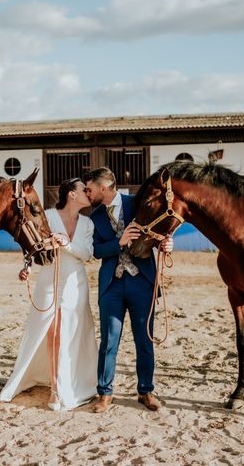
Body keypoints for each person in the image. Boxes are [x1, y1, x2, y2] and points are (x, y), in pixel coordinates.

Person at [0, 178, 98, 410]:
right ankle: (55, 387)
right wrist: (27, 268)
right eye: (84, 190)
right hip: (49, 278)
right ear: (72, 194)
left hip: (75, 283)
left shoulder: (87, 223)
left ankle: (65, 385)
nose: (88, 193)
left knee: (68, 331)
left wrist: (65, 243)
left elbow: (87, 254)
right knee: (50, 331)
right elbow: (33, 247)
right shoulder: (48, 216)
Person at [83, 167, 173, 413]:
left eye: (90, 189)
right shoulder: (95, 217)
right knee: (109, 341)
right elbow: (96, 251)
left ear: (103, 187)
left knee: (144, 340)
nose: (87, 194)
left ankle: (146, 391)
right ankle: (105, 394)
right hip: (112, 285)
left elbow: (161, 229)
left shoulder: (138, 204)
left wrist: (167, 243)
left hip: (142, 283)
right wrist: (118, 242)